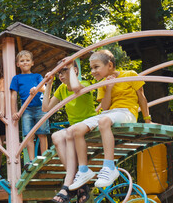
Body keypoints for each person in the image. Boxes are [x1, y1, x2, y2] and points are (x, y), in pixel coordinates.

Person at [68, 49, 151, 191]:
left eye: (96, 67)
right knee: (75, 129)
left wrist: (147, 120)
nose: (93, 71)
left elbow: (142, 98)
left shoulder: (129, 75)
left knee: (103, 121)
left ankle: (109, 166)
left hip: (127, 112)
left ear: (110, 65)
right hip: (110, 113)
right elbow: (105, 108)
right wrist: (109, 87)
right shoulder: (102, 84)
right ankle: (83, 170)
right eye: (91, 68)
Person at [42, 58, 96, 203]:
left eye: (64, 70)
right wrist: (49, 84)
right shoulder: (61, 89)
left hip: (88, 126)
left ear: (74, 70)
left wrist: (71, 67)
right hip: (73, 130)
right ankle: (80, 184)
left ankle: (67, 186)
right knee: (56, 136)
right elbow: (46, 108)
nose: (60, 75)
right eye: (58, 72)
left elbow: (75, 88)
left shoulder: (84, 83)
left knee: (68, 132)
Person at [10, 50, 50, 169]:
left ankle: (44, 158)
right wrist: (14, 112)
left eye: (27, 60)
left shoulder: (37, 76)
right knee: (28, 135)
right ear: (18, 64)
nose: (25, 62)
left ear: (32, 63)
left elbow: (43, 87)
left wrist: (36, 89)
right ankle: (32, 160)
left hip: (40, 108)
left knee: (42, 133)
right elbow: (13, 95)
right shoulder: (16, 78)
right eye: (22, 61)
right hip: (26, 109)